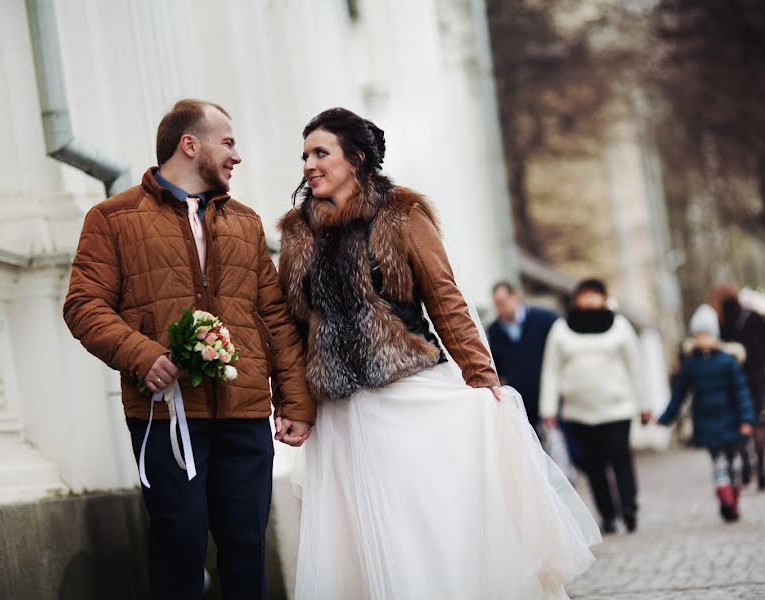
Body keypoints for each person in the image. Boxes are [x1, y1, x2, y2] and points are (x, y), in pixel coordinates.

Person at [277, 107, 600, 599]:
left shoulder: (402, 215)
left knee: (421, 526)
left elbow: (446, 300)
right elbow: (293, 329)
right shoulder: (297, 234)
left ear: (357, 158)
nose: (309, 164)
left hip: (406, 398)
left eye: (321, 152)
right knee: (361, 541)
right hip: (339, 415)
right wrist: (296, 405)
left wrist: (482, 376)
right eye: (305, 155)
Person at [63, 99, 316, 599]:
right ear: (189, 144)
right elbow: (83, 305)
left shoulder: (245, 222)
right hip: (166, 418)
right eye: (228, 142)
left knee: (246, 550)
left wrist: (295, 401)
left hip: (244, 417)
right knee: (178, 547)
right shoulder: (113, 219)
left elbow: (275, 318)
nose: (236, 156)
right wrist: (142, 356)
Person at [539, 278, 652, 534]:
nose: (590, 300)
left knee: (620, 456)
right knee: (594, 465)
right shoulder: (561, 329)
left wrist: (645, 405)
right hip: (579, 412)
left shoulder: (620, 327)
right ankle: (608, 514)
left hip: (617, 408)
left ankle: (629, 507)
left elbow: (636, 368)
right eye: (585, 295)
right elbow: (551, 371)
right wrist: (548, 410)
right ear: (576, 299)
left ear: (603, 298)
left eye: (595, 295)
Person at [657, 304, 755, 522]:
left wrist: (746, 419)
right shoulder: (691, 365)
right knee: (718, 462)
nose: (703, 339)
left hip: (731, 420)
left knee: (735, 463)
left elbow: (741, 391)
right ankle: (725, 497)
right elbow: (679, 394)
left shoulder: (728, 362)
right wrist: (666, 417)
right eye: (699, 335)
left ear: (715, 336)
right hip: (707, 422)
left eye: (707, 334)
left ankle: (733, 495)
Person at [710, 285, 765, 490]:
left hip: (733, 381)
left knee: (741, 421)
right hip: (757, 379)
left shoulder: (721, 323)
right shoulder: (753, 317)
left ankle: (745, 463)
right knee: (761, 422)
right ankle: (761, 467)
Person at [486, 281, 558, 428]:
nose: (501, 307)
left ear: (516, 297)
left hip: (549, 396)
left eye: (503, 301)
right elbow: (498, 367)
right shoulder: (494, 331)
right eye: (497, 304)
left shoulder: (545, 319)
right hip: (520, 401)